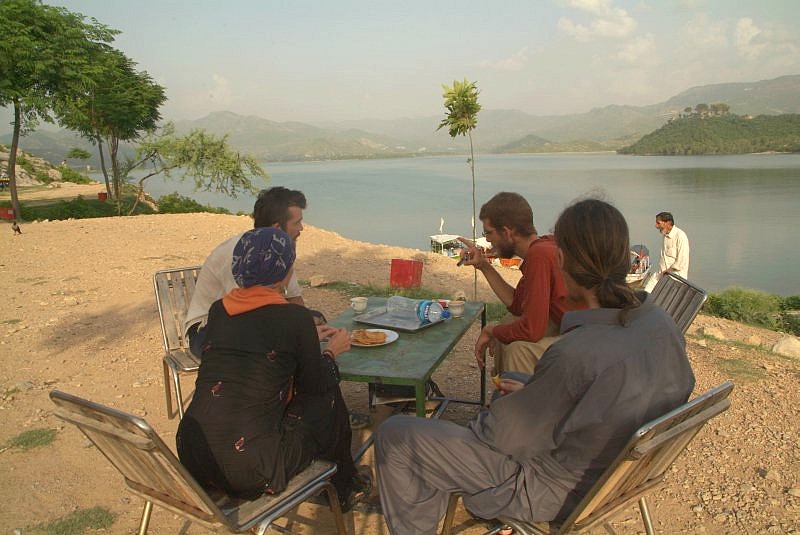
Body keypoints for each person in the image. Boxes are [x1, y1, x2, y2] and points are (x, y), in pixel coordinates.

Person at [374, 198, 695, 534]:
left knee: (397, 435)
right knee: (514, 379)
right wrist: (533, 392)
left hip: (553, 489)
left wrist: (502, 410)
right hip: (616, 474)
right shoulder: (662, 325)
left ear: (565, 260)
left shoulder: (576, 352)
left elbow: (499, 437)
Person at [176, 227, 370, 510]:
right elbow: (315, 383)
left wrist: (303, 339)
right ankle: (343, 487)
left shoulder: (219, 310)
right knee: (327, 397)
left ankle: (344, 483)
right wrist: (332, 351)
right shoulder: (295, 318)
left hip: (194, 455)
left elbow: (252, 338)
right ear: (285, 271)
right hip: (252, 468)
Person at [184, 186, 332, 357]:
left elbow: (293, 297)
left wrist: (305, 323)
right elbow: (247, 312)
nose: (301, 228)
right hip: (211, 328)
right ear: (277, 227)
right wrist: (301, 334)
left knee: (313, 319)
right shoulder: (242, 252)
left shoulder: (279, 249)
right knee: (284, 343)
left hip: (252, 320)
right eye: (297, 223)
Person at [458, 192, 580, 375]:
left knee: (518, 350)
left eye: (489, 233)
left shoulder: (539, 256)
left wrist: (492, 331)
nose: (488, 239)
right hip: (575, 329)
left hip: (586, 339)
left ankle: (516, 391)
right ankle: (504, 385)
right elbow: (517, 306)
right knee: (510, 323)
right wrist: (483, 265)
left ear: (507, 232)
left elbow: (532, 330)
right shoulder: (542, 247)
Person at [643, 211, 690, 292]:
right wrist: (663, 272)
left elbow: (681, 261)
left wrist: (668, 271)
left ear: (667, 223)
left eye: (658, 223)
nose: (656, 226)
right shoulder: (665, 235)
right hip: (662, 273)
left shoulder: (680, 236)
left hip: (676, 276)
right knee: (647, 291)